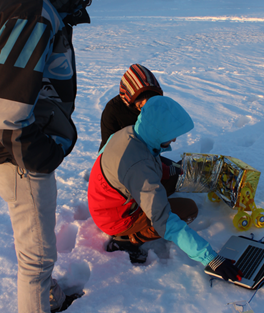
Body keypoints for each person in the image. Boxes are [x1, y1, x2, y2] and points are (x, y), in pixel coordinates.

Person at [0, 0, 127, 313]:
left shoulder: (37, 1)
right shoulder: (32, 11)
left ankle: (44, 294)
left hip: (20, 144)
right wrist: (37, 152)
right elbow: (6, 110)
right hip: (17, 151)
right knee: (38, 247)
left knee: (34, 235)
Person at [88, 95, 241, 283]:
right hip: (116, 217)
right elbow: (164, 220)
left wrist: (172, 170)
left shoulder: (131, 133)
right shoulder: (139, 167)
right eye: (171, 134)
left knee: (172, 178)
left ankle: (134, 225)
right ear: (158, 132)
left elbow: (148, 160)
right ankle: (128, 239)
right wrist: (211, 258)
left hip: (107, 199)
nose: (175, 139)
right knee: (187, 210)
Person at [99, 63, 181, 195]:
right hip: (121, 165)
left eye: (149, 100)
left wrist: (165, 140)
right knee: (157, 186)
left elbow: (156, 144)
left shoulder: (155, 107)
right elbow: (107, 149)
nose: (144, 106)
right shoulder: (113, 111)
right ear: (130, 97)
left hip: (147, 158)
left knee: (177, 171)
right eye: (140, 101)